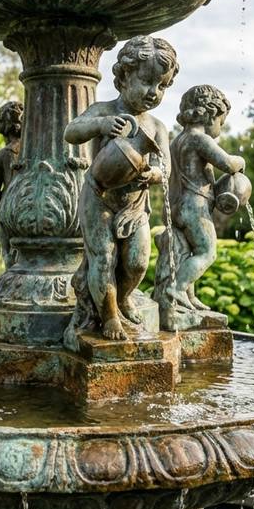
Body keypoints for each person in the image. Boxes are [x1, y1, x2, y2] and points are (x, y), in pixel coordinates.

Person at [64, 35, 178, 342]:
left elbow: (166, 166)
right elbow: (71, 131)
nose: (154, 92)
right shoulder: (103, 110)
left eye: (162, 85)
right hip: (99, 197)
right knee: (103, 256)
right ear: (124, 76)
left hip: (135, 204)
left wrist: (154, 173)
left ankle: (125, 295)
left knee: (138, 261)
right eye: (147, 81)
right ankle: (109, 314)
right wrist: (100, 126)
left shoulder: (157, 127)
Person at [157, 85, 245, 314]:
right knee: (207, 252)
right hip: (194, 206)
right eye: (221, 122)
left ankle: (188, 296)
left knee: (187, 251)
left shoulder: (177, 141)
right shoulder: (200, 139)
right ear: (209, 114)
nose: (220, 128)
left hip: (176, 205)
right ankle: (176, 289)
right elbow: (228, 163)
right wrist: (241, 162)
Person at [0, 101, 24, 267]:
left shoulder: (3, 154)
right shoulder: (33, 150)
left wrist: (5, 202)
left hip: (9, 214)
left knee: (10, 259)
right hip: (32, 210)